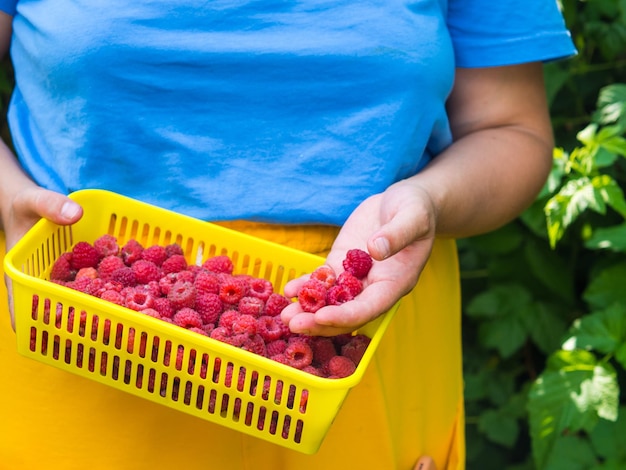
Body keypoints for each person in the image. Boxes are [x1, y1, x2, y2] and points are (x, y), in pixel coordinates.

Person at [0, 1, 575, 469]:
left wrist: (427, 198)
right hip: (83, 331)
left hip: (352, 334)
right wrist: (6, 196)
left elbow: (511, 127)